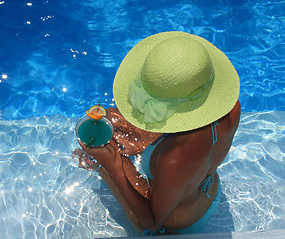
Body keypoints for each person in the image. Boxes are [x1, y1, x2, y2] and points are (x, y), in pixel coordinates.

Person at [75, 31, 241, 235]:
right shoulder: (231, 109)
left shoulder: (174, 158)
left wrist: (114, 166)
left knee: (103, 152)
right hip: (206, 191)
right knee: (113, 118)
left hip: (175, 221)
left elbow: (152, 221)